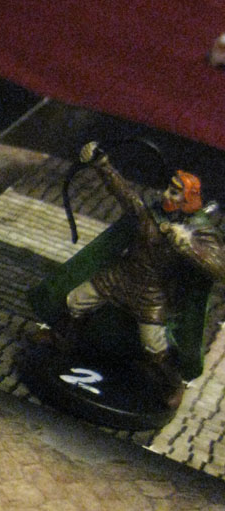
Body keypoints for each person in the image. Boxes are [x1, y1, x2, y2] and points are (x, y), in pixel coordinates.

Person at [37, 141, 225, 406]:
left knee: (154, 346)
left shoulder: (200, 231)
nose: (167, 195)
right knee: (76, 300)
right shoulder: (151, 214)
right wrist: (101, 163)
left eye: (174, 192)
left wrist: (187, 245)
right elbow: (125, 194)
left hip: (153, 293)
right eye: (168, 188)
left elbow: (218, 267)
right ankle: (62, 341)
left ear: (188, 199)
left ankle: (171, 384)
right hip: (121, 276)